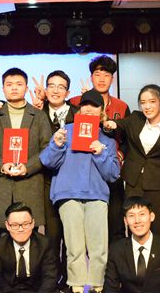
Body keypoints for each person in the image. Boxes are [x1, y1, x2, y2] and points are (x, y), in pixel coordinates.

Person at [40, 89, 120, 293]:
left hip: (96, 196)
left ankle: (97, 286)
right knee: (74, 246)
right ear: (79, 110)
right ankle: (76, 286)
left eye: (94, 106)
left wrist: (100, 153)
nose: (89, 109)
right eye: (85, 105)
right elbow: (47, 161)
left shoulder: (107, 139)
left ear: (101, 111)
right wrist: (57, 145)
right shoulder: (66, 131)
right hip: (68, 194)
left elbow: (113, 174)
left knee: (98, 247)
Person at [103, 84, 160, 237]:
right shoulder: (135, 118)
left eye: (152, 101)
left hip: (158, 186)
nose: (147, 106)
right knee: (135, 228)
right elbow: (118, 125)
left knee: (157, 230)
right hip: (134, 184)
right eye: (143, 102)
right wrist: (110, 125)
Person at [0, 67, 52, 239]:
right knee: (0, 238)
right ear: (3, 88)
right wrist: (1, 165)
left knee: (30, 237)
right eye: (9, 84)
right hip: (1, 185)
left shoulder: (39, 116)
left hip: (30, 184)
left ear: (26, 88)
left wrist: (28, 167)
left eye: (19, 84)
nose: (14, 88)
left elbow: (47, 149)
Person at [69, 55, 130, 244]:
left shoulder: (122, 106)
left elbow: (127, 140)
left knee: (115, 223)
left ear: (112, 78)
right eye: (97, 74)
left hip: (110, 169)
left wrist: (118, 157)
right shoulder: (75, 102)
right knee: (84, 228)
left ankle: (116, 262)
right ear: (91, 77)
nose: (102, 79)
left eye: (107, 75)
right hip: (84, 171)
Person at [31, 70, 79, 291]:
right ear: (46, 90)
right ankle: (52, 278)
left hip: (72, 183)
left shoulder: (79, 115)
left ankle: (70, 280)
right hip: (46, 182)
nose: (56, 90)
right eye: (51, 86)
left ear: (68, 92)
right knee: (51, 236)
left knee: (71, 236)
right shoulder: (37, 114)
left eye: (61, 87)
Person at [104, 196, 160, 293]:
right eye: (131, 216)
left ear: (151, 216)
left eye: (142, 214)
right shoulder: (116, 250)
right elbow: (110, 288)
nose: (137, 220)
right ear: (125, 221)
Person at [0, 202, 58, 293]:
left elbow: (50, 278)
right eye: (15, 225)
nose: (20, 229)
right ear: (7, 226)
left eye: (25, 224)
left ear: (32, 223)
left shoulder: (44, 244)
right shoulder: (0, 245)